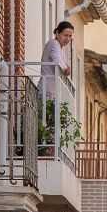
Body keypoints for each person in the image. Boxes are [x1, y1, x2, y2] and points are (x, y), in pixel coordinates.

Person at [39, 21, 76, 150]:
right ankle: (46, 147)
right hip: (47, 87)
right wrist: (65, 68)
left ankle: (49, 146)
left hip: (51, 88)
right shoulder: (53, 44)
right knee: (47, 119)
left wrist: (66, 68)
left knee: (50, 119)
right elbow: (57, 62)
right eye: (66, 35)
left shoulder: (60, 48)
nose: (68, 39)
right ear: (57, 33)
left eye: (70, 36)